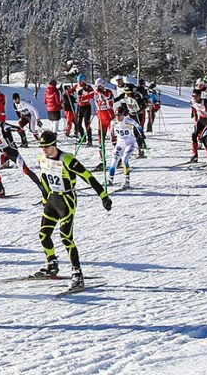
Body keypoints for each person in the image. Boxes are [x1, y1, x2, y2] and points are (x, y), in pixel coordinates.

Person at [19, 130, 111, 291]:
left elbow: (88, 177)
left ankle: (77, 274)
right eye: (42, 147)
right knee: (43, 235)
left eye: (46, 147)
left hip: (66, 201)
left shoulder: (67, 159)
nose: (44, 150)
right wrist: (45, 199)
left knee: (66, 238)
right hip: (52, 200)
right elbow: (44, 179)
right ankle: (52, 265)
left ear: (54, 145)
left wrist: (103, 196)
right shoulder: (42, 158)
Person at [105, 111, 142, 189]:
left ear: (123, 115)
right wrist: (112, 141)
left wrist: (141, 134)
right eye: (116, 115)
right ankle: (110, 179)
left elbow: (138, 126)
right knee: (114, 161)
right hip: (120, 143)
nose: (118, 117)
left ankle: (127, 181)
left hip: (130, 143)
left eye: (120, 115)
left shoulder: (128, 120)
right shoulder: (113, 122)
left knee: (124, 160)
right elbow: (111, 132)